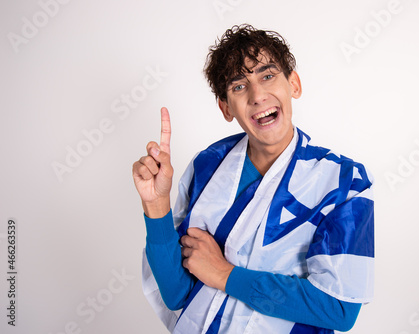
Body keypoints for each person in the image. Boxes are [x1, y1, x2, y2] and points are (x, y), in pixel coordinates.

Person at [132, 24, 374, 334]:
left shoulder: (344, 183)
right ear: (225, 107)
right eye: (239, 86)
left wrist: (225, 275)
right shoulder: (207, 167)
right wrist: (156, 205)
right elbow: (177, 293)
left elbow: (339, 309)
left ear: (294, 84)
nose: (258, 95)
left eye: (268, 76)